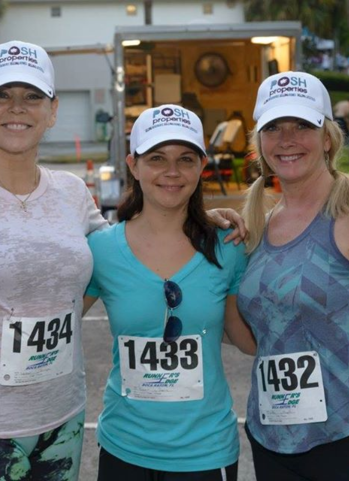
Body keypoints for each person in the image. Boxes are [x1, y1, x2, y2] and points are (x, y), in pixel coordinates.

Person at [0, 41, 245, 481]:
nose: (17, 108)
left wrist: (194, 217)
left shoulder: (72, 194)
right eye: (2, 95)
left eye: (32, 96)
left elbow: (124, 245)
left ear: (52, 110)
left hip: (61, 421)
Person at [237, 72, 349, 480]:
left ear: (327, 137)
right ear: (260, 143)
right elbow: (254, 341)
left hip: (346, 437)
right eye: (273, 128)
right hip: (271, 437)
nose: (287, 139)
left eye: (302, 125)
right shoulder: (261, 223)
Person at [85, 105, 255, 480]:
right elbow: (53, 316)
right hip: (124, 447)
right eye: (157, 158)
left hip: (205, 451)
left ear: (202, 166)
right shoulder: (102, 250)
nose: (172, 172)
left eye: (186, 159)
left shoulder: (227, 247)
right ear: (133, 165)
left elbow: (246, 338)